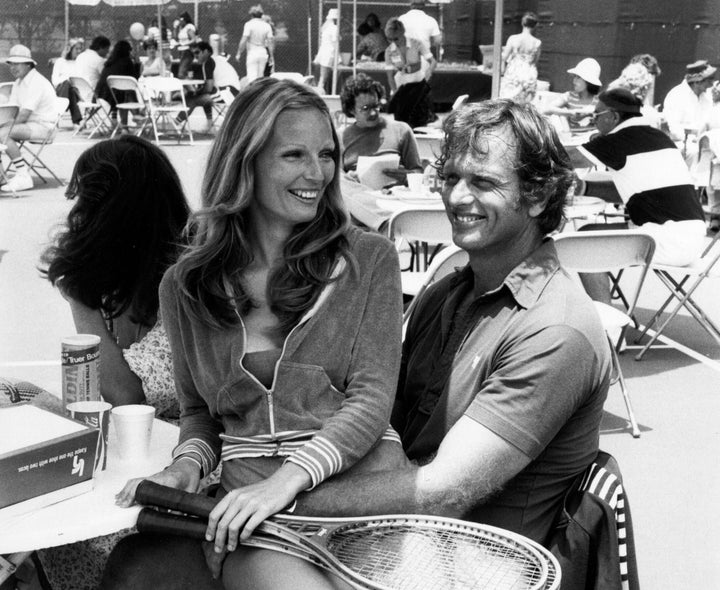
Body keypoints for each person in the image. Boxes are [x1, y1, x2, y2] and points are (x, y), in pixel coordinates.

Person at [101, 77, 404, 590]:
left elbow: (372, 399)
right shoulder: (185, 285)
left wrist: (283, 484)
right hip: (252, 510)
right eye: (293, 155)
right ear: (247, 161)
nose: (318, 172)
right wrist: (185, 468)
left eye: (326, 154)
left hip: (360, 490)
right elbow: (200, 413)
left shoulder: (368, 258)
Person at [37, 135, 191, 590]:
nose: (76, 215)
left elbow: (127, 395)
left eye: (84, 201)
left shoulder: (189, 277)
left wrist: (77, 296)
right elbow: (82, 397)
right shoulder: (118, 275)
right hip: (123, 454)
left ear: (115, 211)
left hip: (179, 462)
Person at [573, 88, 707, 301]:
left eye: (596, 115)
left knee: (581, 245)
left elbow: (562, 158)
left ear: (614, 116)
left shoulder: (619, 139)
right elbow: (635, 191)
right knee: (588, 232)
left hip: (666, 238)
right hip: (690, 236)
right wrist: (584, 188)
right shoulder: (658, 136)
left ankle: (609, 329)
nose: (593, 120)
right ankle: (607, 319)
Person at [340, 74, 422, 182]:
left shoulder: (401, 130)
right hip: (357, 196)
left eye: (376, 106)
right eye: (366, 108)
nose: (373, 113)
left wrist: (407, 176)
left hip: (394, 196)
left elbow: (418, 173)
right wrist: (346, 178)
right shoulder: (341, 138)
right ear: (351, 110)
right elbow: (336, 176)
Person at [0, 44, 58, 193]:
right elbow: (14, 111)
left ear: (28, 64)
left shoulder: (37, 82)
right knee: (2, 130)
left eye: (17, 63)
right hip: (29, 125)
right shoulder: (19, 82)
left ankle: (23, 176)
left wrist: (4, 126)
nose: (13, 67)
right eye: (11, 63)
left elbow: (23, 115)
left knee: (3, 133)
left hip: (45, 128)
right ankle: (1, 175)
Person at [384, 17, 436, 129]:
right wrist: (395, 93)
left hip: (418, 84)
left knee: (418, 121)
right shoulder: (389, 51)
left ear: (402, 33)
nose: (393, 42)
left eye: (396, 39)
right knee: (401, 123)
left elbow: (433, 62)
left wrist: (428, 73)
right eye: (389, 39)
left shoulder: (416, 43)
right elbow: (390, 77)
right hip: (401, 86)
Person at [662, 59, 715, 143]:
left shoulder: (707, 96)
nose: (712, 84)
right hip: (682, 145)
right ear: (697, 82)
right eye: (710, 80)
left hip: (704, 144)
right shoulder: (676, 96)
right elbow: (674, 129)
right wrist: (693, 140)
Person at [94, 40, 141, 133]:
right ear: (127, 51)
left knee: (122, 91)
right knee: (127, 92)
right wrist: (137, 63)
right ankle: (132, 119)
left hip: (101, 95)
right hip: (115, 97)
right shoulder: (127, 62)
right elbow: (134, 79)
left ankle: (119, 120)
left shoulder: (109, 62)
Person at [544, 57, 602, 132]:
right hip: (572, 140)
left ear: (588, 81)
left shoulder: (599, 101)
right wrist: (569, 113)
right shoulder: (569, 96)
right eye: (574, 77)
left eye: (578, 77)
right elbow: (547, 109)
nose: (574, 80)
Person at [499, 11, 541, 104]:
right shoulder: (537, 42)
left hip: (515, 72)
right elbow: (535, 61)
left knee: (508, 101)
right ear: (535, 25)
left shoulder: (513, 38)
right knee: (524, 104)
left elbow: (504, 57)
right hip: (529, 73)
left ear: (522, 23)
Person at [176, 41, 216, 134]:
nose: (195, 56)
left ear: (206, 52)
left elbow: (209, 88)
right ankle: (210, 125)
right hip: (228, 90)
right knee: (199, 97)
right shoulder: (211, 61)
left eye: (198, 53)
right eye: (194, 54)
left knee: (194, 99)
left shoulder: (208, 62)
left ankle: (176, 122)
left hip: (225, 92)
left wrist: (197, 92)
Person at [235, 4, 274, 83]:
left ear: (251, 15)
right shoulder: (267, 26)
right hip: (263, 52)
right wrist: (271, 56)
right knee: (260, 78)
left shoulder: (249, 24)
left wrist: (239, 53)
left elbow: (244, 40)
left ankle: (253, 94)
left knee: (252, 77)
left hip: (252, 52)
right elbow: (270, 42)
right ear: (261, 15)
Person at [51, 37, 85, 128]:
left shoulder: (79, 62)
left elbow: (82, 81)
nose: (78, 51)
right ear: (70, 49)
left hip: (76, 92)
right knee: (67, 85)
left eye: (80, 49)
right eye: (76, 49)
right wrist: (66, 80)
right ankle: (76, 122)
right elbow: (54, 81)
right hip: (61, 90)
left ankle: (58, 115)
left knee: (71, 88)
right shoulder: (60, 62)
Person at [313, 8, 339, 94]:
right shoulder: (334, 28)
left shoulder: (326, 28)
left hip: (324, 53)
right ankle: (320, 94)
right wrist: (338, 58)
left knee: (323, 77)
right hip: (329, 54)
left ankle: (322, 92)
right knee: (323, 78)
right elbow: (335, 43)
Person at [176, 11, 197, 79]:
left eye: (181, 20)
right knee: (186, 72)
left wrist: (184, 44)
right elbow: (176, 37)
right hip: (182, 52)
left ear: (184, 19)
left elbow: (194, 40)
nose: (179, 21)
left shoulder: (189, 27)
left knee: (181, 74)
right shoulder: (182, 28)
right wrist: (175, 27)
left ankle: (191, 88)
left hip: (188, 52)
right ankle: (189, 87)